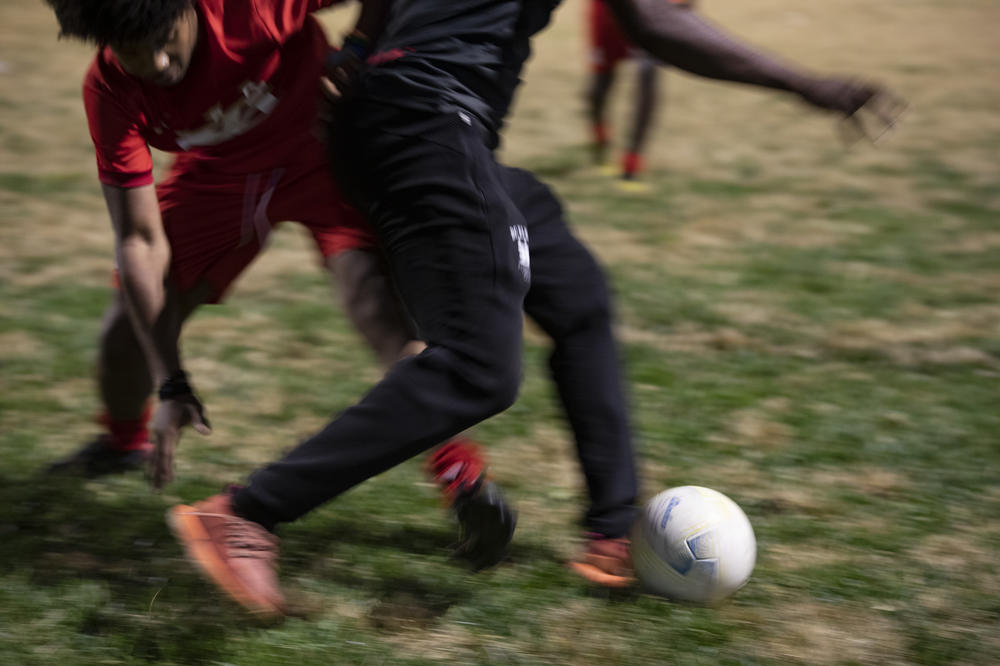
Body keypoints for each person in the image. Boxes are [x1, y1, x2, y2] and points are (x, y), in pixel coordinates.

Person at [166, 0, 901, 619]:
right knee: (479, 368)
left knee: (576, 297)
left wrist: (359, 44)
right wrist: (806, 83)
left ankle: (614, 530)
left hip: (410, 124)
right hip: (425, 122)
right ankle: (247, 512)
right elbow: (653, 22)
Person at [42, 0, 515, 564]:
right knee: (125, 334)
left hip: (322, 148)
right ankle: (124, 442)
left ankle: (460, 474)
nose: (160, 63)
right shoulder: (111, 89)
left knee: (380, 310)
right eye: (133, 52)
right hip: (217, 177)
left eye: (167, 39)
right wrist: (169, 381)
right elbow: (139, 241)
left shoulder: (251, 7)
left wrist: (359, 44)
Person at [587, 0, 694, 184]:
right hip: (608, 9)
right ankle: (601, 139)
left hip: (653, 8)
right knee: (602, 83)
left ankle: (632, 163)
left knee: (648, 75)